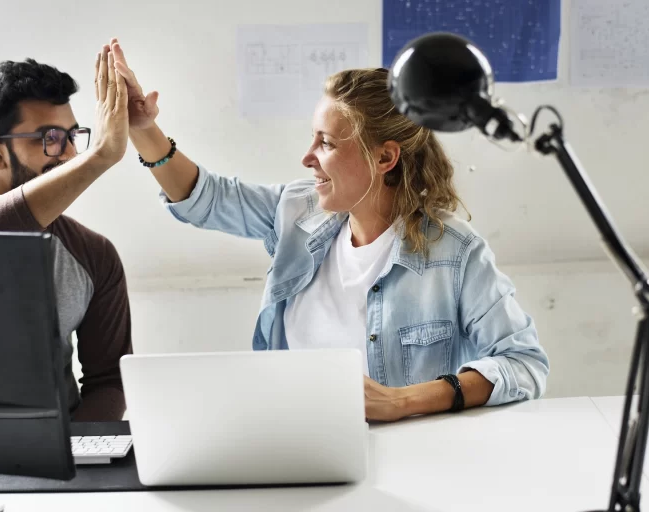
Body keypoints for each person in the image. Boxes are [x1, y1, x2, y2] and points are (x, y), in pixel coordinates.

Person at [111, 38, 549, 422]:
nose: (307, 157)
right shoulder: (296, 214)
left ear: (384, 158)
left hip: (413, 457)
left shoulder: (456, 253)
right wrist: (144, 129)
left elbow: (523, 363)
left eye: (326, 143)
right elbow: (204, 198)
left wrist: (403, 401)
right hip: (296, 442)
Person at [0, 46, 132, 421]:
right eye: (49, 137)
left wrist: (72, 452)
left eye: (73, 136)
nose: (69, 154)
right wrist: (99, 157)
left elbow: (109, 381)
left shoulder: (94, 254)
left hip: (55, 460)